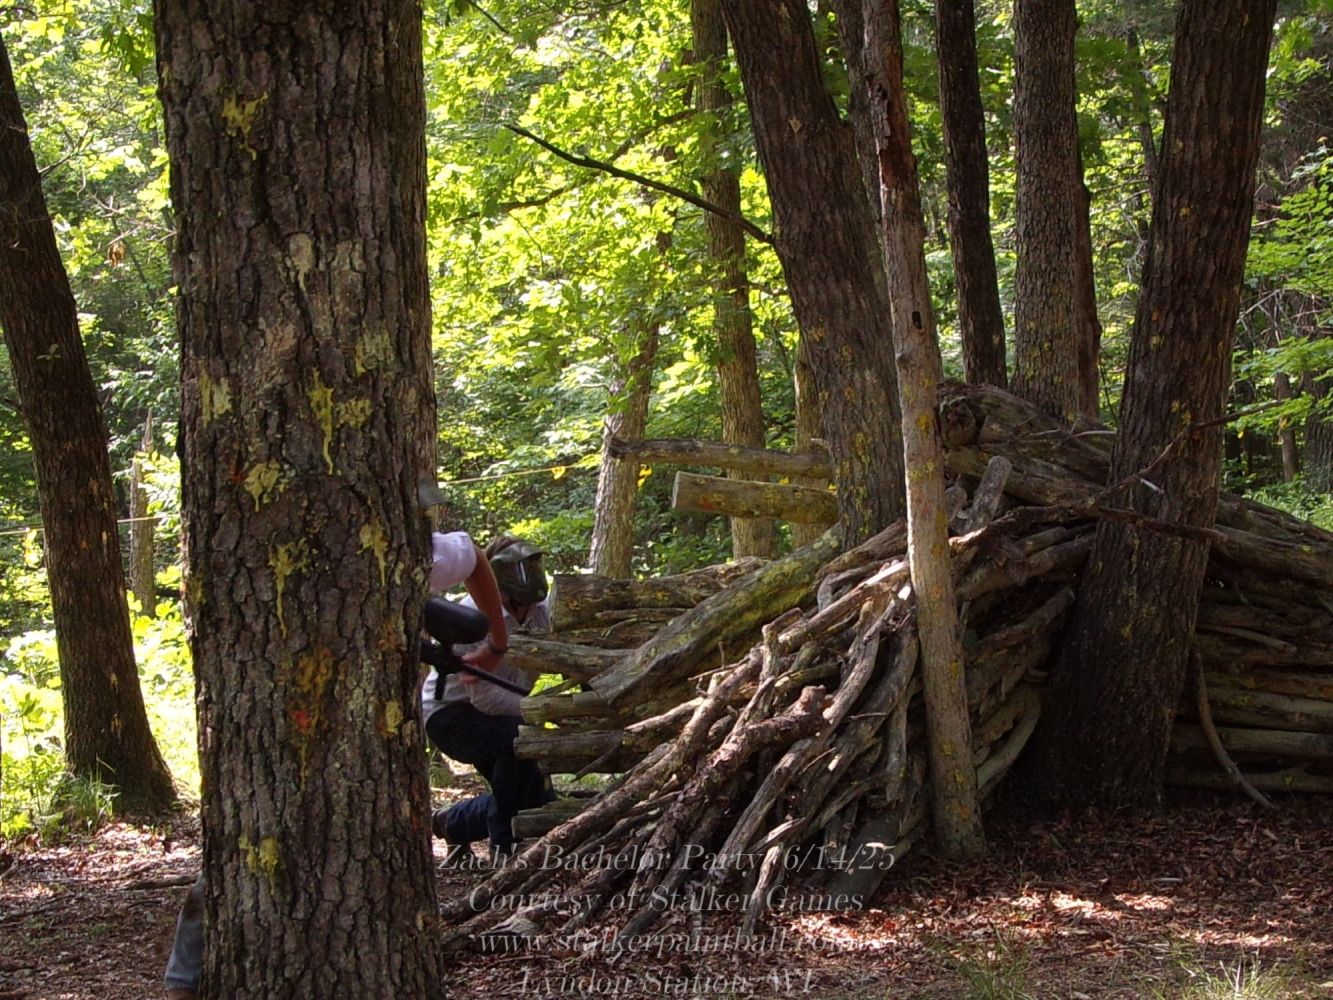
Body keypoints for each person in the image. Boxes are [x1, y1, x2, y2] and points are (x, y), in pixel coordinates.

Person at [164, 527, 508, 1000]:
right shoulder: (244, 549)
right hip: (268, 744)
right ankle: (183, 984)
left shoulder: (388, 546)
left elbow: (471, 555)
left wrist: (497, 644)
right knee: (237, 861)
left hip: (362, 756)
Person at [424, 535, 556, 864]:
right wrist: (539, 712)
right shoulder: (472, 617)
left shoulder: (542, 614)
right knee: (518, 740)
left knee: (536, 800)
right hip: (448, 714)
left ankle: (451, 823)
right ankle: (503, 848)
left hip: (504, 714)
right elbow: (483, 698)